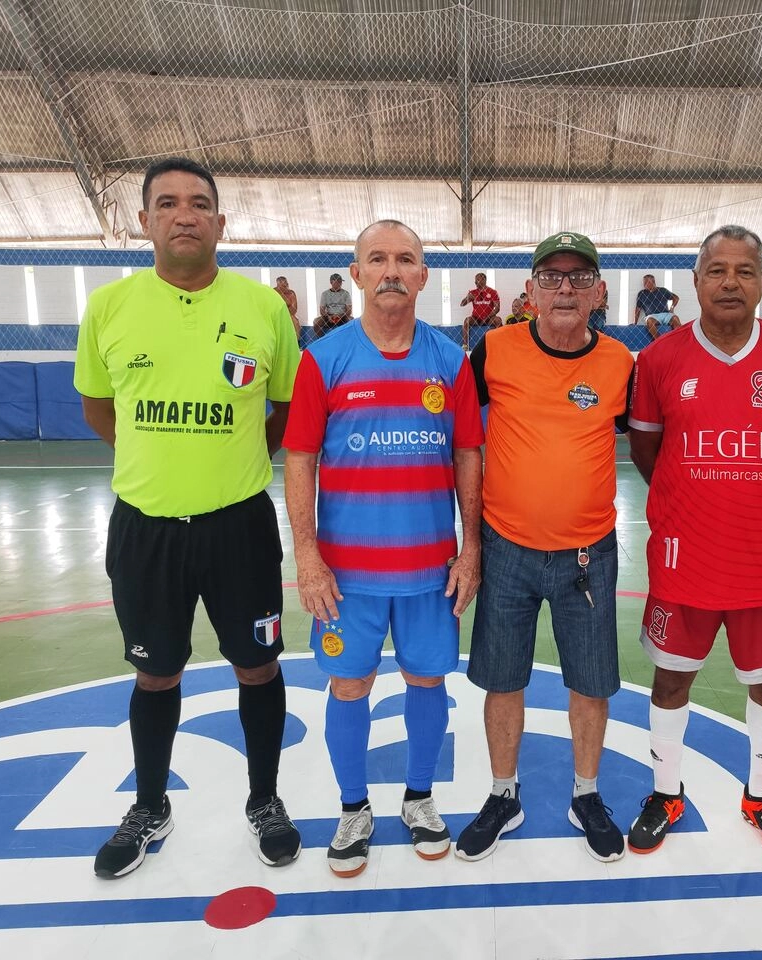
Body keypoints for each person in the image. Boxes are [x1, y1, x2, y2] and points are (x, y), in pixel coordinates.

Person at [73, 156, 302, 879]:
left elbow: (290, 411)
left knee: (258, 666)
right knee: (155, 675)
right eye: (167, 203)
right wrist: (156, 464)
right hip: (145, 528)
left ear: (220, 222)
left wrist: (236, 459)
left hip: (239, 526)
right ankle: (149, 805)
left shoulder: (263, 309)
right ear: (144, 221)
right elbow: (97, 407)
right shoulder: (109, 308)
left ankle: (263, 798)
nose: (184, 214)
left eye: (199, 203)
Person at [283, 219, 484, 878]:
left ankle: (420, 800)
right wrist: (307, 555)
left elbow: (468, 457)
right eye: (379, 258)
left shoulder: (451, 363)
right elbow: (300, 459)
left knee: (428, 679)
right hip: (347, 577)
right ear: (358, 274)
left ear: (424, 276)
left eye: (406, 259)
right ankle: (353, 809)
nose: (392, 269)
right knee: (350, 683)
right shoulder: (324, 360)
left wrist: (471, 545)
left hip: (430, 572)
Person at [626, 225, 762, 860]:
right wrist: (694, 497)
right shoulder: (658, 361)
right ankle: (665, 791)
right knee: (671, 677)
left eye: (745, 270)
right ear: (696, 282)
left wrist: (754, 493)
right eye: (717, 270)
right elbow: (647, 450)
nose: (731, 281)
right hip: (684, 554)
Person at [457, 232, 635, 863]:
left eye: (578, 277)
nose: (565, 287)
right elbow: (461, 442)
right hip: (507, 550)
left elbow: (650, 442)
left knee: (592, 682)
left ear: (599, 292)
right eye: (551, 277)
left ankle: (586, 794)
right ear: (528, 292)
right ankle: (504, 794)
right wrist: (469, 543)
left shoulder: (620, 363)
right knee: (502, 680)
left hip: (589, 553)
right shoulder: (493, 351)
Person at [460, 272, 501, 350]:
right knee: (467, 321)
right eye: (475, 280)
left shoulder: (493, 292)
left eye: (477, 280)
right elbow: (462, 304)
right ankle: (465, 345)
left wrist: (487, 317)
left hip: (489, 318)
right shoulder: (473, 292)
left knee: (498, 320)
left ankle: (498, 343)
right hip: (476, 319)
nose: (475, 282)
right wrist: (467, 298)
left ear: (484, 280)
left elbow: (497, 308)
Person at [634, 274, 681, 339]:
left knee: (675, 318)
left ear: (653, 282)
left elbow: (676, 298)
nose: (644, 284)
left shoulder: (662, 290)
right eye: (644, 282)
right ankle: (659, 341)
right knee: (650, 321)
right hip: (652, 316)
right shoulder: (642, 293)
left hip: (666, 315)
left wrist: (672, 307)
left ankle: (679, 339)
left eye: (647, 282)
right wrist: (635, 323)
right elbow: (638, 309)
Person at [314, 273, 353, 338]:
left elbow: (349, 310)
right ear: (331, 282)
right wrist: (328, 316)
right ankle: (322, 340)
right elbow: (322, 310)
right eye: (337, 281)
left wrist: (340, 316)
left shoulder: (346, 294)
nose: (339, 283)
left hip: (342, 316)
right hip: (329, 317)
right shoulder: (325, 294)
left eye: (340, 282)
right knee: (316, 323)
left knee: (351, 321)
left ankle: (348, 339)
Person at [274, 275, 301, 341]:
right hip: (275, 314)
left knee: (295, 321)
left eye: (287, 285)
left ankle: (297, 343)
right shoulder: (273, 292)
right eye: (283, 286)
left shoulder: (291, 293)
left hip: (288, 314)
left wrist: (284, 313)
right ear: (278, 285)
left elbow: (294, 310)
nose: (286, 287)